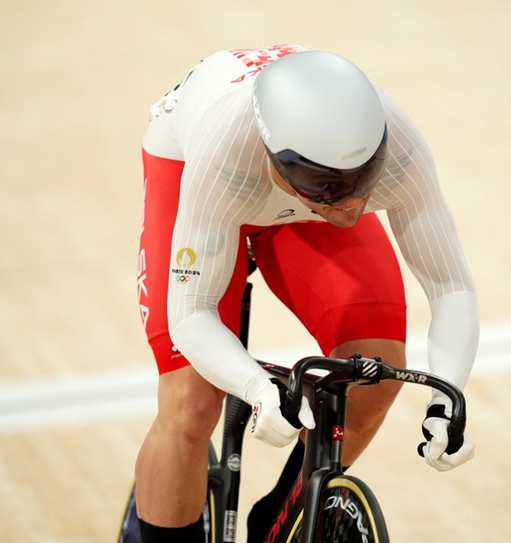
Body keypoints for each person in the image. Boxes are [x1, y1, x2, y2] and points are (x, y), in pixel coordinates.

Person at [133, 44, 480, 542]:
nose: (353, 205)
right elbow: (192, 313)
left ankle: (277, 522)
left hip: (285, 197)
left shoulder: (397, 145)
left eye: (366, 178)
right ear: (279, 160)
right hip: (199, 174)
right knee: (192, 402)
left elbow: (450, 287)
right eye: (327, 186)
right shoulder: (222, 152)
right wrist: (254, 389)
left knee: (374, 373)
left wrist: (448, 396)